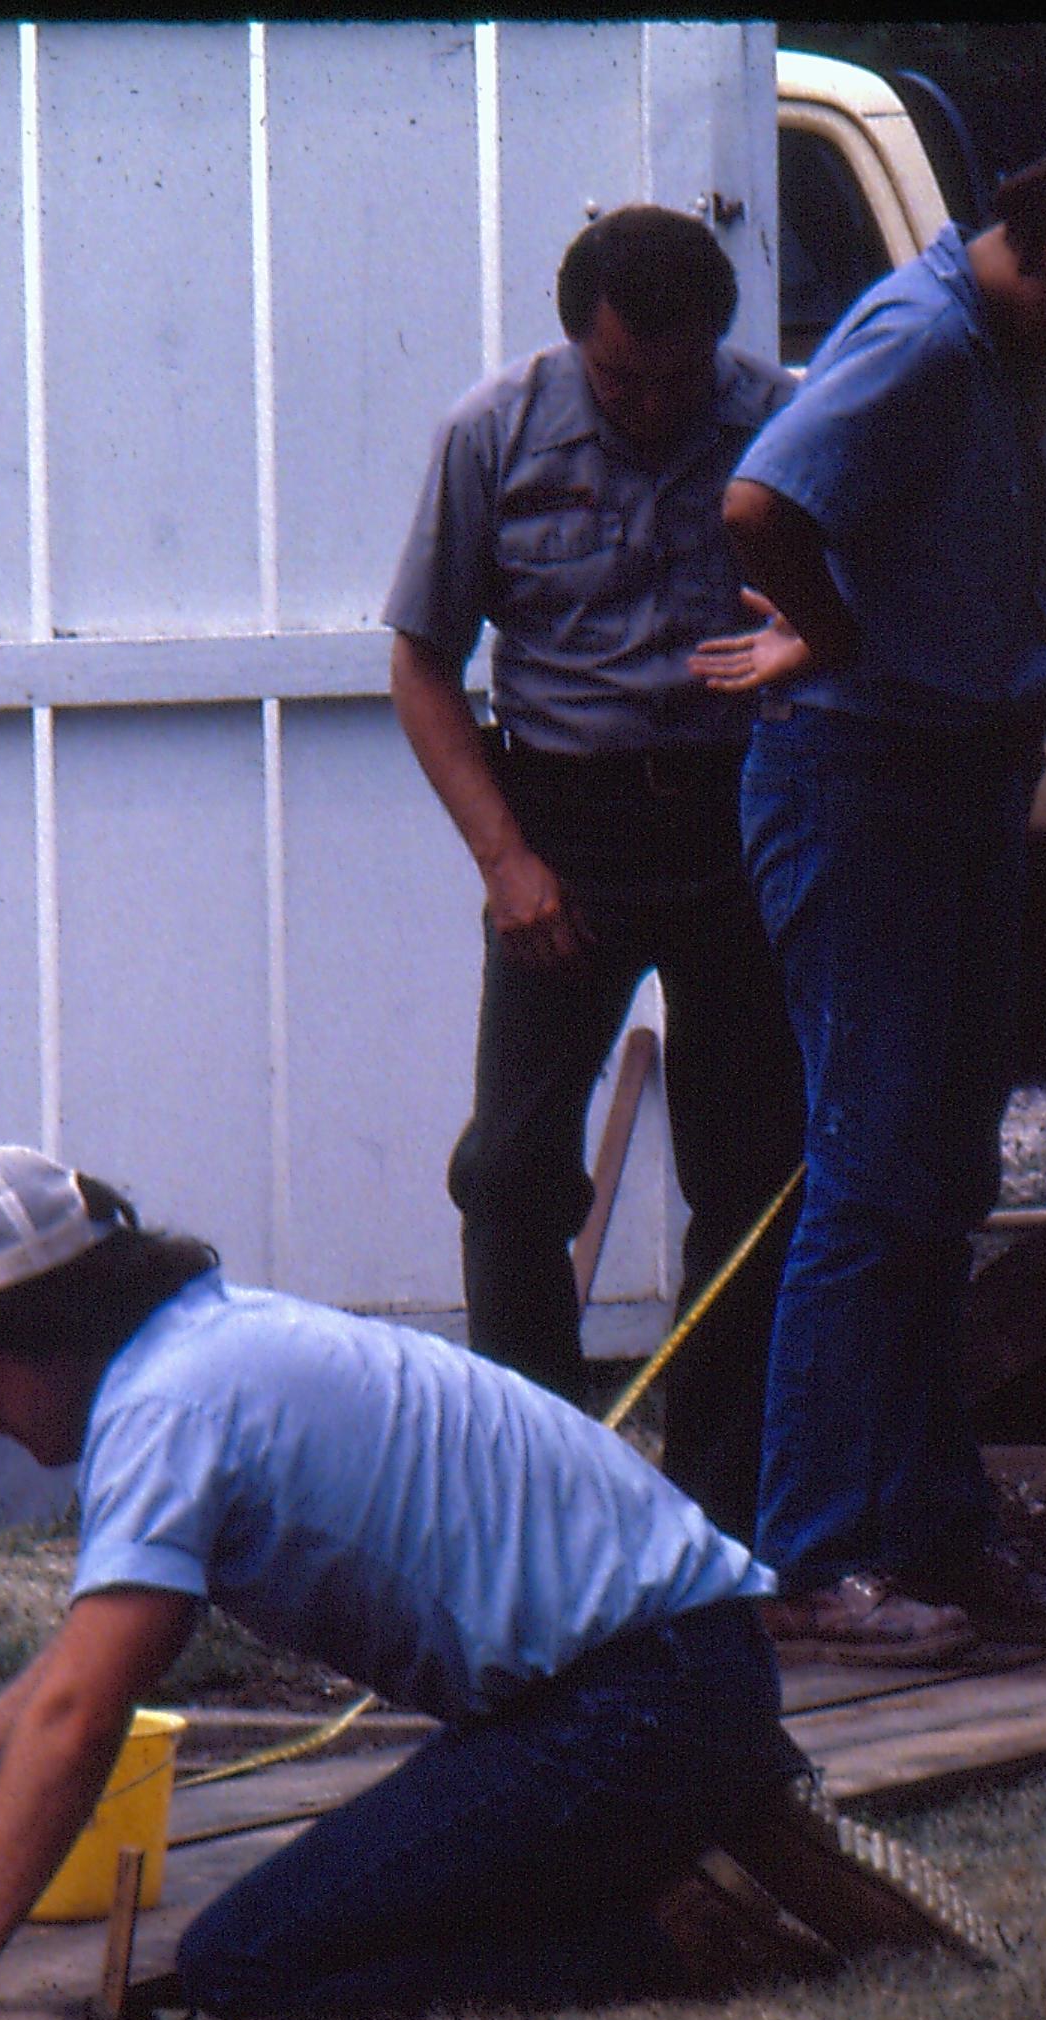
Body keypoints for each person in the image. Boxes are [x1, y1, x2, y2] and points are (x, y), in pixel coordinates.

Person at [0, 1145, 993, 2020]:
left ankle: (672, 1925)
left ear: (41, 1326)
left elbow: (82, 1716)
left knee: (250, 1961)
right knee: (314, 1918)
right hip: (670, 1674)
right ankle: (680, 1835)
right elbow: (75, 1673)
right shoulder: (205, 1352)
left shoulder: (164, 1409)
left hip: (633, 1702)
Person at [683, 127, 1046, 1664]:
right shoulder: (923, 343)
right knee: (867, 1178)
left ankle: (932, 1526)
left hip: (959, 779)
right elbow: (756, 509)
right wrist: (831, 637)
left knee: (938, 1178)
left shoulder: (1002, 346)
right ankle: (804, 1555)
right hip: (864, 791)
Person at [384, 204, 804, 1540]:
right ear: (576, 341)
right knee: (509, 1170)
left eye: (677, 380)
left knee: (752, 1178)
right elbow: (417, 663)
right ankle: (542, 1489)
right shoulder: (490, 432)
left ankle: (715, 1501)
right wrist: (505, 858)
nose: (649, 405)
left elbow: (856, 600)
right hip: (562, 820)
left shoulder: (784, 417)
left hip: (745, 819)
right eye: (621, 378)